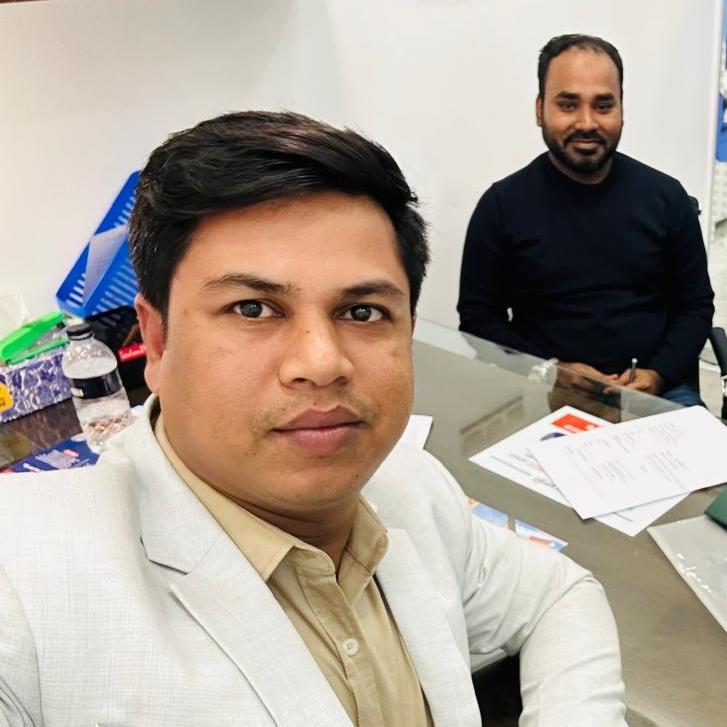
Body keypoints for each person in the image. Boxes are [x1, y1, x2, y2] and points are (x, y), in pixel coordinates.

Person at [0, 111, 626, 726]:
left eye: (362, 312)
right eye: (252, 308)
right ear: (158, 342)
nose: (322, 363)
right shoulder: (26, 582)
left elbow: (557, 595)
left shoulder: (409, 484)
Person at [458, 34, 715, 407]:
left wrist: (658, 374)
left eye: (603, 105)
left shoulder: (667, 197)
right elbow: (478, 317)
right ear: (539, 109)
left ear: (621, 109)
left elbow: (695, 305)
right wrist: (549, 370)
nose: (587, 122)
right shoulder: (501, 206)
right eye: (568, 104)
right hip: (545, 392)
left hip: (659, 392)